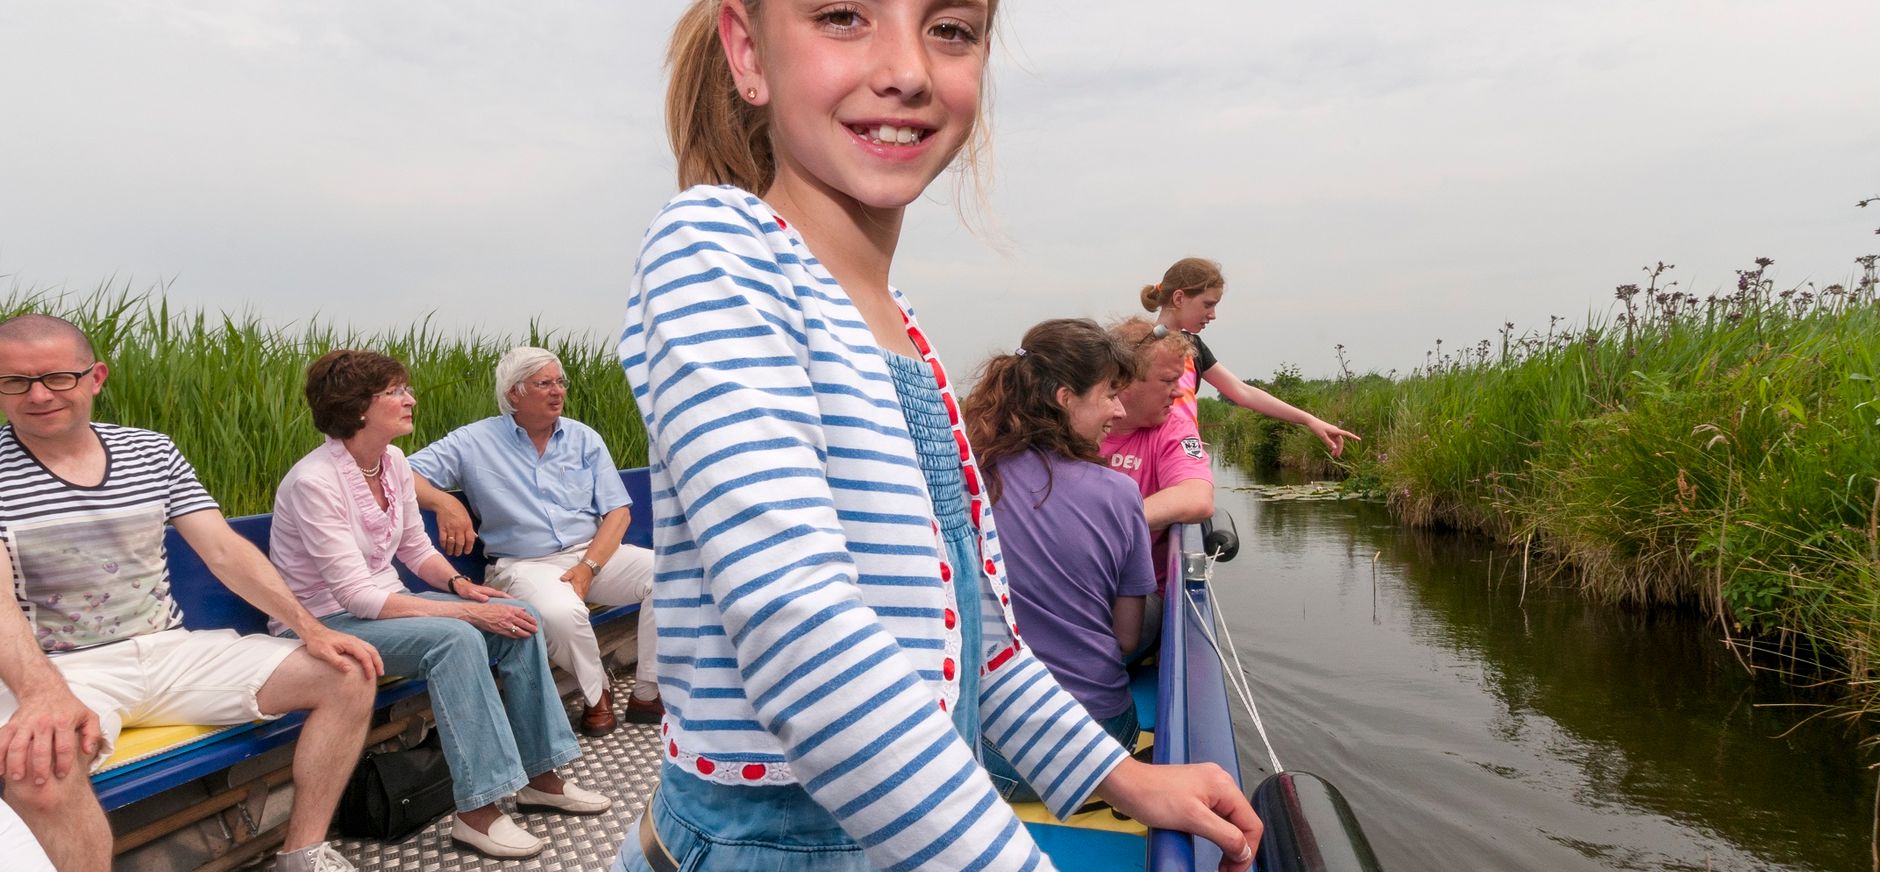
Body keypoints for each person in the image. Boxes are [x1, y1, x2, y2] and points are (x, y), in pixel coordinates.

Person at [612, 3, 1262, 871]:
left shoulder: (907, 333)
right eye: (844, 16)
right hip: (771, 845)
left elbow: (984, 645)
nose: (909, 70)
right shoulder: (717, 247)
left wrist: (1124, 779)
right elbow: (802, 633)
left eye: (950, 28)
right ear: (747, 51)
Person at [0, 313, 382, 872]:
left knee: (349, 672)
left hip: (170, 651)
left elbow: (224, 552)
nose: (38, 395)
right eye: (14, 381)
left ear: (95, 377)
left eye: (57, 377)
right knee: (41, 768)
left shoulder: (151, 452)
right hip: (63, 669)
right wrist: (40, 692)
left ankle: (302, 853)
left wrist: (311, 628)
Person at [268, 350, 610, 861]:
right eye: (396, 392)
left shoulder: (392, 463)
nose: (411, 399)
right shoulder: (315, 482)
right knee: (456, 638)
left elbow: (415, 549)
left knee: (522, 618)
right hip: (325, 622)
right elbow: (355, 596)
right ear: (358, 406)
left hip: (388, 604)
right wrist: (467, 614)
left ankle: (541, 775)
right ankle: (478, 810)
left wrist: (461, 587)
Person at [409, 347, 659, 738]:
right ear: (514, 394)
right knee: (560, 613)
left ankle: (647, 692)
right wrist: (444, 502)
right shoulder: (473, 441)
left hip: (590, 553)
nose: (557, 391)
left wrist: (587, 567)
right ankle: (598, 696)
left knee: (671, 576)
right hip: (523, 564)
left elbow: (618, 513)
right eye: (544, 383)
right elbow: (400, 472)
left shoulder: (583, 438)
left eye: (560, 382)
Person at [960, 319, 1155, 803]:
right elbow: (1126, 638)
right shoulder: (1120, 493)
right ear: (1066, 397)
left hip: (994, 755)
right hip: (1102, 749)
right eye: (1109, 393)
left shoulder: (969, 477)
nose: (1118, 408)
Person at [1142, 256, 1360, 455]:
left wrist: (1310, 420)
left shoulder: (1194, 347)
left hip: (1179, 458)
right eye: (1207, 304)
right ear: (1179, 298)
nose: (1213, 315)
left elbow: (1242, 392)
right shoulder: (1138, 347)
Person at [1102, 317, 1217, 594]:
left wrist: (1101, 528)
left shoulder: (1174, 428)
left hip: (1139, 593)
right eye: (1168, 381)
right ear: (1124, 382)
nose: (1178, 393)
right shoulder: (1075, 424)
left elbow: (1196, 498)